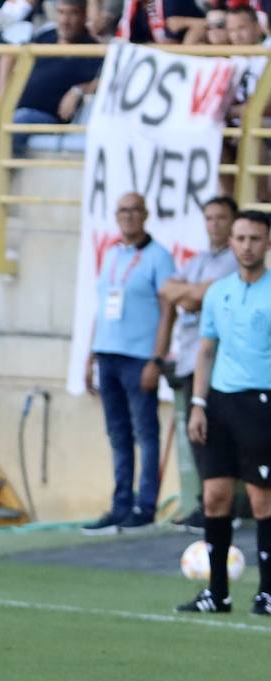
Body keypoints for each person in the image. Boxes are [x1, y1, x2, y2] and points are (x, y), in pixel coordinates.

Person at [179, 211, 271, 617]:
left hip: (262, 403)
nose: (246, 245)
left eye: (254, 238)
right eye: (240, 238)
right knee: (215, 497)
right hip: (220, 403)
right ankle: (217, 593)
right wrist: (199, 404)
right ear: (230, 242)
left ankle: (268, 592)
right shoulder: (217, 291)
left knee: (261, 499)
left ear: (267, 243)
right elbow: (206, 349)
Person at [82, 193, 176, 534]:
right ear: (116, 215)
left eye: (135, 210)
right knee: (117, 433)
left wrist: (157, 359)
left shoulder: (159, 258)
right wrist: (90, 354)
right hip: (108, 353)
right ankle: (120, 505)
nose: (129, 216)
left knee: (145, 432)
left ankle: (144, 505)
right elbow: (102, 304)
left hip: (139, 358)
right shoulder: (111, 253)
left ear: (146, 214)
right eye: (123, 210)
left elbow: (169, 310)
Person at [0, 0, 101, 211]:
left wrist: (79, 90)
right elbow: (14, 58)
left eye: (73, 14)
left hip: (45, 115)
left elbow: (105, 79)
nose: (65, 20)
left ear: (84, 16)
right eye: (61, 13)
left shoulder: (93, 49)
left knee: (1, 133)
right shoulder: (44, 37)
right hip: (14, 108)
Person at [149, 196, 239, 532]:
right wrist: (190, 293)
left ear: (233, 221)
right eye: (209, 218)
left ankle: (216, 506)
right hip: (188, 358)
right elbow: (168, 289)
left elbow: (201, 296)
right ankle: (205, 503)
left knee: (211, 435)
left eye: (221, 218)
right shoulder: (200, 259)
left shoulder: (235, 260)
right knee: (196, 435)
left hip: (216, 365)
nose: (214, 224)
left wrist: (188, 294)